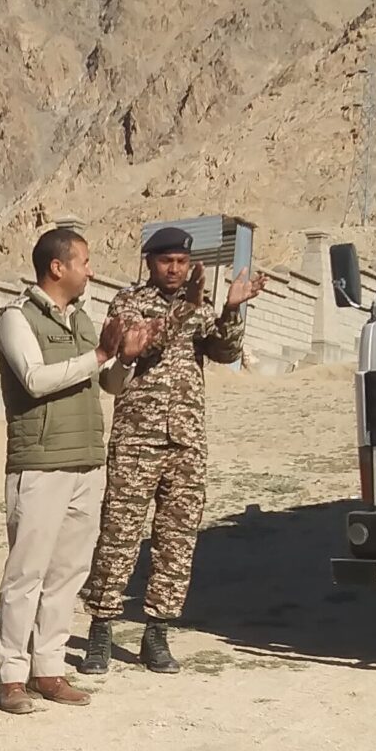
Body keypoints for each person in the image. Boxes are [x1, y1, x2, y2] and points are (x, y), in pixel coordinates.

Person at [77, 227, 262, 676]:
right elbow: (142, 345)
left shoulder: (195, 305)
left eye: (181, 261)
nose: (175, 269)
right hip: (138, 439)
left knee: (176, 541)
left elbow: (224, 351)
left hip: (186, 440)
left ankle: (156, 633)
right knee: (119, 535)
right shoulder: (128, 303)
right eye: (166, 261)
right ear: (149, 262)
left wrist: (232, 309)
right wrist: (189, 307)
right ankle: (101, 631)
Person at [0, 226, 141, 713]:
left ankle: (49, 670)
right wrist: (97, 354)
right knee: (26, 574)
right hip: (40, 465)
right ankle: (11, 675)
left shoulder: (83, 320)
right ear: (58, 267)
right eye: (84, 261)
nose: (90, 271)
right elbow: (34, 380)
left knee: (68, 574)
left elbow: (110, 383)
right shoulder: (16, 318)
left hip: (86, 464)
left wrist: (125, 358)